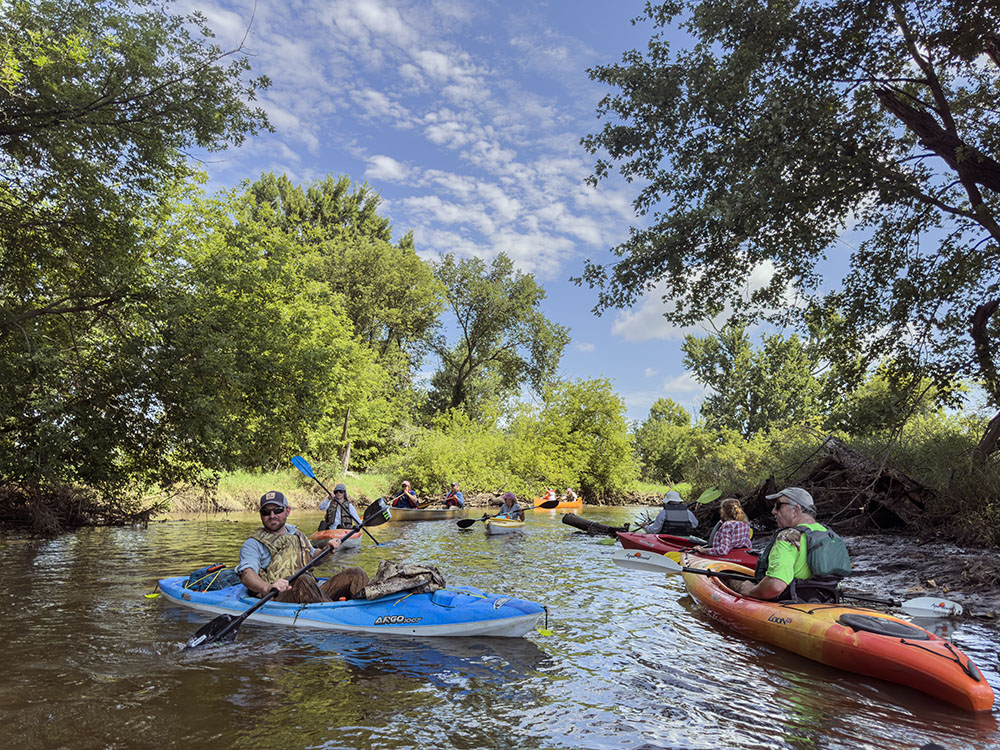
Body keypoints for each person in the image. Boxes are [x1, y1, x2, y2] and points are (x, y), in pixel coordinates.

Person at [236, 490, 369, 603]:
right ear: (261, 514)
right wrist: (267, 588)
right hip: (278, 596)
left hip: (309, 589)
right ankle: (335, 616)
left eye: (277, 510)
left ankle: (363, 611)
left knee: (356, 573)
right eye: (266, 512)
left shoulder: (296, 533)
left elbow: (312, 558)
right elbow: (247, 574)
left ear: (287, 511)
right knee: (303, 580)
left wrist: (326, 550)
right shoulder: (253, 543)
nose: (272, 516)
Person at [730, 487, 849, 602]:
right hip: (826, 600)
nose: (773, 511)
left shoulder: (788, 537)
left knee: (731, 580)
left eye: (778, 506)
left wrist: (750, 590)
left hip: (792, 603)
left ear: (796, 510)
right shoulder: (828, 534)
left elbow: (775, 586)